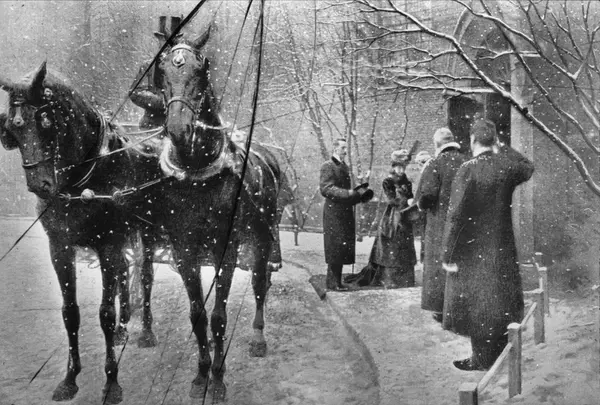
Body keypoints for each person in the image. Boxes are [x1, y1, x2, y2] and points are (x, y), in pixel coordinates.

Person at [441, 119, 534, 371]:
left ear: (472, 140)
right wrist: (502, 147)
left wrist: (448, 254)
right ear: (493, 141)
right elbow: (528, 166)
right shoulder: (506, 167)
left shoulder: (467, 170)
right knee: (499, 299)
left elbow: (456, 215)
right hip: (501, 246)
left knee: (478, 304)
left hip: (473, 248)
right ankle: (499, 355)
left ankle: (481, 359)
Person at [414, 128, 468, 323]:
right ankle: (461, 306)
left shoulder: (435, 164)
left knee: (439, 266)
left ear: (437, 144)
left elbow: (427, 195)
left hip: (440, 225)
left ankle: (440, 308)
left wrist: (421, 205)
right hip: (464, 224)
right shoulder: (467, 162)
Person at [345, 149, 417, 288]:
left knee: (404, 245)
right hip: (393, 216)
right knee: (390, 243)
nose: (401, 170)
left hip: (405, 215)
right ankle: (388, 278)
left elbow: (411, 196)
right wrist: (403, 198)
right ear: (393, 166)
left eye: (403, 167)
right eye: (398, 167)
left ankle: (404, 279)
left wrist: (410, 201)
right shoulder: (388, 181)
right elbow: (391, 200)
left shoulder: (407, 181)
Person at [320, 138, 373, 291]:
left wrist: (358, 195)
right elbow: (326, 188)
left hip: (344, 213)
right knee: (335, 248)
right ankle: (333, 282)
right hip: (334, 214)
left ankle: (335, 281)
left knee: (341, 248)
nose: (345, 151)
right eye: (342, 148)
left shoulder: (344, 166)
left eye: (345, 148)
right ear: (335, 149)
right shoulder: (328, 166)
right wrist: (349, 193)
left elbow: (343, 192)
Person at [129, 16, 182, 129]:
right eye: (164, 40)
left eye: (172, 41)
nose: (168, 45)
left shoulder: (185, 69)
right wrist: (163, 102)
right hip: (151, 126)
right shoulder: (148, 66)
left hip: (179, 128)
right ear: (159, 40)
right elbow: (135, 93)